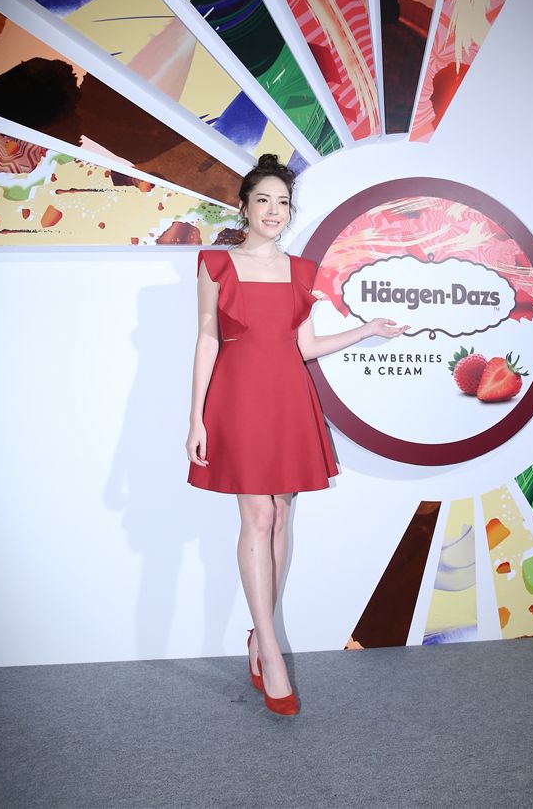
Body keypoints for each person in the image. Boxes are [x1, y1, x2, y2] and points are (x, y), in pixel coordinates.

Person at [185, 154, 407, 716]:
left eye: (282, 202)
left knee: (281, 515)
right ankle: (271, 648)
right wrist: (196, 417)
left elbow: (304, 346)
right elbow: (207, 339)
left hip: (287, 397)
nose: (273, 211)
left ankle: (256, 638)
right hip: (237, 398)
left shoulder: (302, 272)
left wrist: (366, 330)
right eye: (262, 200)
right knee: (257, 516)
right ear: (244, 206)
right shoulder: (216, 265)